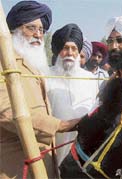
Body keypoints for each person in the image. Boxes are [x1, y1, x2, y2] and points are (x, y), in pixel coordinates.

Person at [0, 1, 79, 178]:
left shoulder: (34, 67)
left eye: (41, 30)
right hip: (15, 169)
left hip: (42, 166)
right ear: (13, 30)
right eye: (31, 28)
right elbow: (6, 111)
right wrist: (60, 125)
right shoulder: (4, 65)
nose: (38, 35)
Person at [47, 23, 98, 165]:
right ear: (58, 51)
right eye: (65, 48)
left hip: (81, 148)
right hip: (51, 145)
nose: (70, 53)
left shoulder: (90, 79)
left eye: (74, 49)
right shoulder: (45, 76)